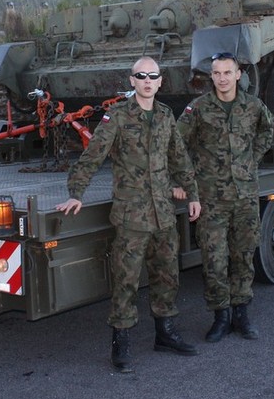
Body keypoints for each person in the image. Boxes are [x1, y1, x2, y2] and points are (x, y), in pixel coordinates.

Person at [56, 56, 201, 373]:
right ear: (132, 80)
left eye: (153, 76)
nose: (147, 81)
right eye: (141, 76)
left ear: (160, 81)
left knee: (167, 275)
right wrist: (75, 192)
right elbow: (93, 155)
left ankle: (166, 334)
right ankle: (120, 343)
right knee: (126, 281)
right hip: (131, 215)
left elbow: (179, 158)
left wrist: (193, 194)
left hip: (163, 212)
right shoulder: (118, 116)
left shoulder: (165, 116)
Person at [177, 51, 274, 342]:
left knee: (243, 256)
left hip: (245, 196)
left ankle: (241, 314)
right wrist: (185, 180)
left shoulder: (253, 106)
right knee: (214, 260)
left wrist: (251, 160)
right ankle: (221, 316)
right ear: (212, 76)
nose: (221, 78)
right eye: (216, 73)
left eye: (227, 73)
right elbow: (177, 144)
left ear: (238, 75)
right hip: (211, 199)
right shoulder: (199, 109)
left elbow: (266, 132)